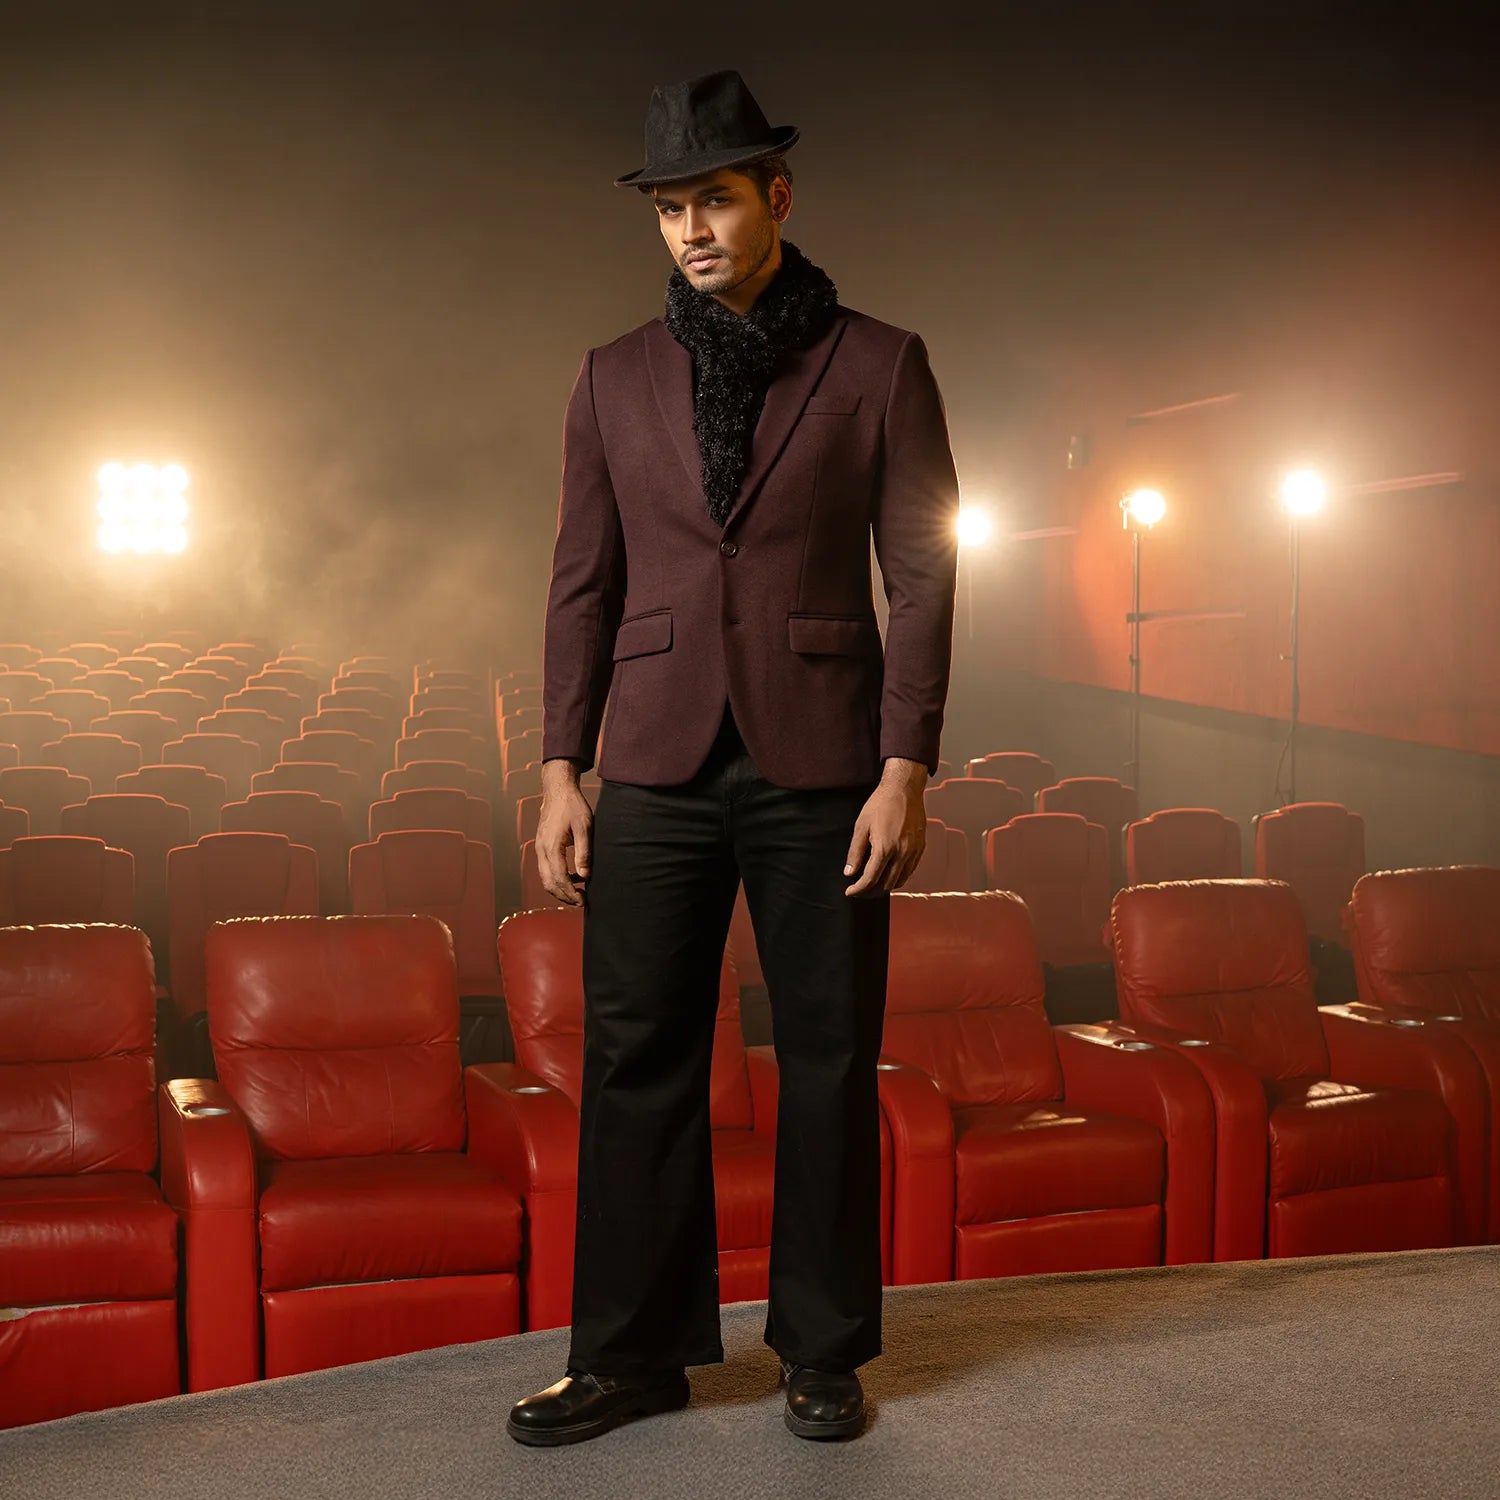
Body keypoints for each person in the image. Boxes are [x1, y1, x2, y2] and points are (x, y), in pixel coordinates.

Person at [507, 67, 959, 1446]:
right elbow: (581, 581)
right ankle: (631, 1356)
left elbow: (923, 575)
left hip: (826, 762)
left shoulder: (881, 362)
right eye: (669, 208)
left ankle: (821, 1351)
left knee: (826, 1057)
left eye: (713, 198)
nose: (691, 228)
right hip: (651, 757)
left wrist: (905, 767)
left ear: (777, 195)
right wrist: (560, 767)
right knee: (636, 1057)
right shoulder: (611, 374)